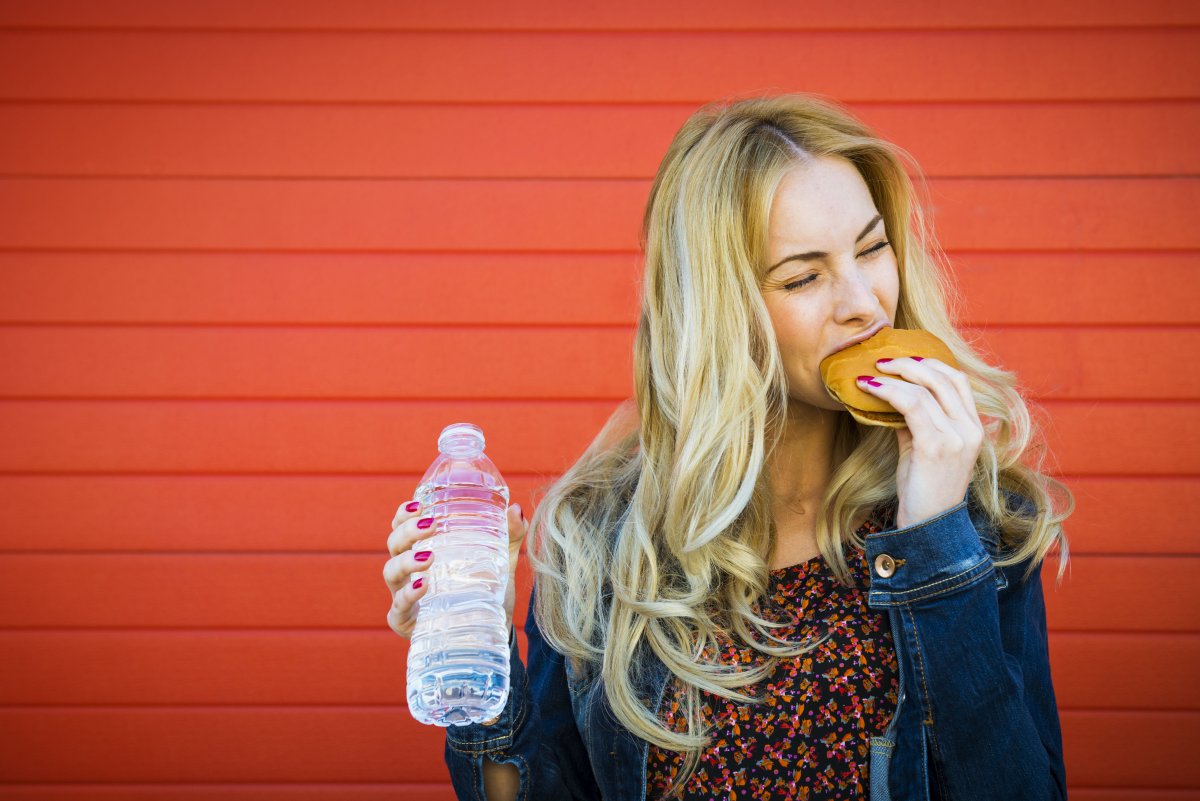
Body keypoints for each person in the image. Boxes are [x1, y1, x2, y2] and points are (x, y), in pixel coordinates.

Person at [384, 93, 1073, 801]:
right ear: (717, 313)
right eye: (803, 276)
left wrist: (935, 544)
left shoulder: (978, 519)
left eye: (872, 248)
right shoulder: (595, 543)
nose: (865, 303)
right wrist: (479, 656)